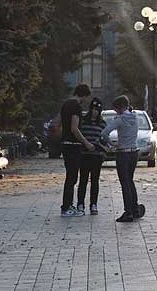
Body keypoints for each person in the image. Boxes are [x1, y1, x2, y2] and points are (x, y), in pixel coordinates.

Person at [60, 84, 96, 217]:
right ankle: (66, 207)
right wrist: (86, 143)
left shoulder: (65, 104)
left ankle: (68, 205)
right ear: (84, 95)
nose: (87, 101)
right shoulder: (76, 107)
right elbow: (74, 128)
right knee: (72, 178)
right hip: (73, 145)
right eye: (87, 97)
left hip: (65, 144)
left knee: (70, 177)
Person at [103, 95, 140, 223]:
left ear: (119, 107)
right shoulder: (135, 117)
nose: (115, 112)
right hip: (134, 152)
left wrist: (112, 144)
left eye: (115, 109)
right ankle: (135, 208)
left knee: (124, 182)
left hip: (123, 153)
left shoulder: (119, 119)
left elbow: (104, 133)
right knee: (130, 180)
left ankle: (128, 211)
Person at [76, 98, 107, 216]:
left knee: (95, 181)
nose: (95, 112)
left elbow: (104, 139)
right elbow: (79, 136)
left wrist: (103, 150)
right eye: (93, 109)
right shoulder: (83, 121)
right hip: (84, 156)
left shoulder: (102, 123)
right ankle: (80, 204)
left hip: (96, 157)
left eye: (97, 110)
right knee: (83, 180)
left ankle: (93, 204)